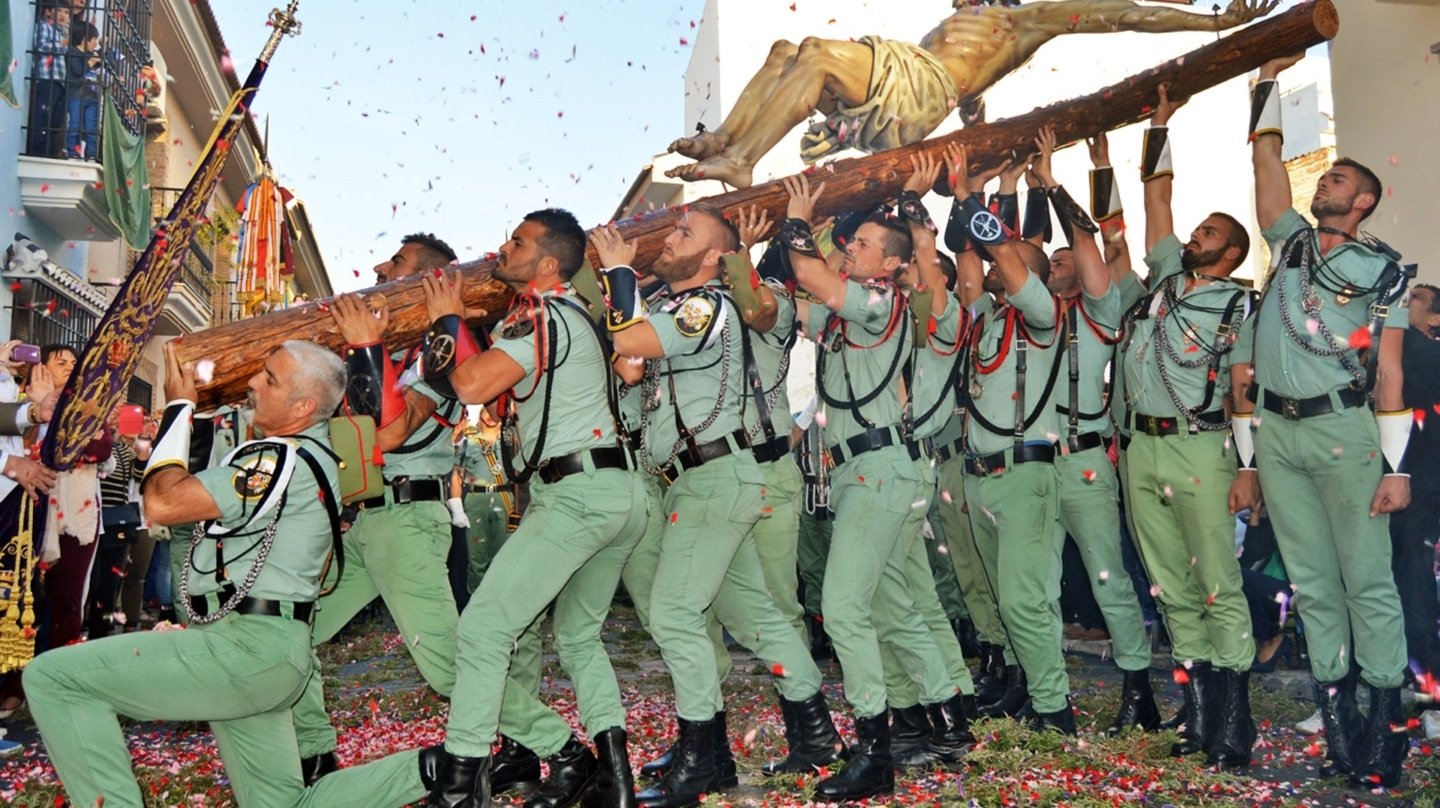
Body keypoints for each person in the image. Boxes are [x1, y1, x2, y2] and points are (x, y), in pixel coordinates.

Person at [23, 340, 434, 808]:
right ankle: (439, 769)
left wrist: (181, 407)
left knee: (54, 678)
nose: (253, 384)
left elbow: (163, 502)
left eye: (270, 379)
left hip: (243, 650)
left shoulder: (276, 458)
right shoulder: (314, 457)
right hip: (267, 651)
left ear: (302, 406)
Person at [593, 202, 840, 807]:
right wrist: (633, 307)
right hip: (703, 479)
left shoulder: (707, 302)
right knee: (753, 615)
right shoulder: (674, 306)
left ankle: (706, 761)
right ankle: (818, 737)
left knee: (675, 613)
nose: (668, 238)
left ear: (711, 257)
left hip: (715, 478)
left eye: (684, 233)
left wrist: (617, 273)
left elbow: (630, 341)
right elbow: (631, 369)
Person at [416, 208, 650, 808]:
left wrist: (446, 314)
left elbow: (469, 386)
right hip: (619, 493)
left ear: (547, 263)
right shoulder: (584, 316)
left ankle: (461, 788)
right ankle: (610, 780)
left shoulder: (541, 314)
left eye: (516, 241)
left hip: (577, 497)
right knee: (578, 637)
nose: (502, 246)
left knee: (485, 629)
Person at [1251, 54, 1415, 789]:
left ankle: (1386, 724)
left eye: (1341, 180)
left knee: (1365, 581)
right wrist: (1267, 84)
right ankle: (1338, 719)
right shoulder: (1289, 243)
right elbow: (1265, 163)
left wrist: (1397, 466)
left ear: (1366, 201)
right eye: (1327, 177)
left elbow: (1390, 372)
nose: (1326, 185)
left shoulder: (1385, 271)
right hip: (1279, 434)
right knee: (1314, 586)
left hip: (1344, 432)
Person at [774, 175, 960, 800]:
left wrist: (800, 221)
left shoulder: (878, 298)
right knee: (887, 605)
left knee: (846, 605)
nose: (850, 248)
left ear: (893, 263)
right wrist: (821, 240)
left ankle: (875, 748)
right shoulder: (851, 299)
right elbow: (801, 302)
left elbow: (814, 281)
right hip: (866, 470)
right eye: (850, 241)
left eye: (863, 243)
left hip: (882, 469)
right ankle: (942, 721)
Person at [662, 0, 1276, 188]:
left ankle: (741, 162)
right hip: (906, 87)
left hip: (918, 87)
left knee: (818, 55)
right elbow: (971, 100)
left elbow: (1128, 15)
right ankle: (726, 139)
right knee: (785, 52)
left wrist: (1215, 23)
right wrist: (975, 119)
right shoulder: (956, 19)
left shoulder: (1029, 18)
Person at [291, 232, 467, 784]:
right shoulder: (385, 355)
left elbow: (389, 433)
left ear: (428, 280)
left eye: (397, 262)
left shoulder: (443, 355)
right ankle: (315, 757)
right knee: (294, 631)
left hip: (410, 522)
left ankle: (547, 748)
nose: (378, 264)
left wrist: (366, 348)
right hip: (364, 522)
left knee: (445, 664)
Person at [1119, 85, 1258, 768]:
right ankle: (1198, 715)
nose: (1194, 236)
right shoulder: (1166, 284)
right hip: (1140, 447)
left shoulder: (1240, 306)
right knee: (1170, 584)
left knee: (1215, 582)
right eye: (1197, 230)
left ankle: (1236, 722)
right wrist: (1160, 124)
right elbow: (1156, 202)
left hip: (1202, 447)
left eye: (1209, 233)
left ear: (1230, 253)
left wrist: (1250, 466)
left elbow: (1242, 393)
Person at [1029, 127, 1159, 735]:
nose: (1058, 267)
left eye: (1064, 261)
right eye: (1050, 263)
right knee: (1036, 583)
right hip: (1030, 465)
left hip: (1083, 462)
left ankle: (1139, 688)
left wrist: (1063, 180)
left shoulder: (1103, 309)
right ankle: (1048, 697)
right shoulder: (1028, 318)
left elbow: (1099, 239)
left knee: (1109, 577)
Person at [1397, 284, 1440, 737]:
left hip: (1421, 488)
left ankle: (1430, 700)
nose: (1404, 303)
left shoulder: (1424, 352)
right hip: (1379, 483)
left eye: (1416, 299)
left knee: (1413, 589)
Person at [28, 3, 69, 158]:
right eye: (59, 11)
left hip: (59, 80)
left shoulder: (61, 32)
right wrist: (61, 44)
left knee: (55, 120)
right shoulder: (44, 26)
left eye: (66, 12)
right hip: (46, 78)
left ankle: (50, 151)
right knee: (42, 117)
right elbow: (40, 46)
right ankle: (38, 150)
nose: (63, 15)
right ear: (49, 12)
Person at [64, 20, 102, 160]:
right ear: (85, 40)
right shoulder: (72, 53)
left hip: (92, 96)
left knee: (92, 127)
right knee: (75, 124)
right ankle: (73, 151)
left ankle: (91, 154)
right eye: (94, 41)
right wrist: (90, 63)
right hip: (76, 95)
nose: (95, 44)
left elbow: (106, 63)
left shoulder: (91, 54)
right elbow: (77, 70)